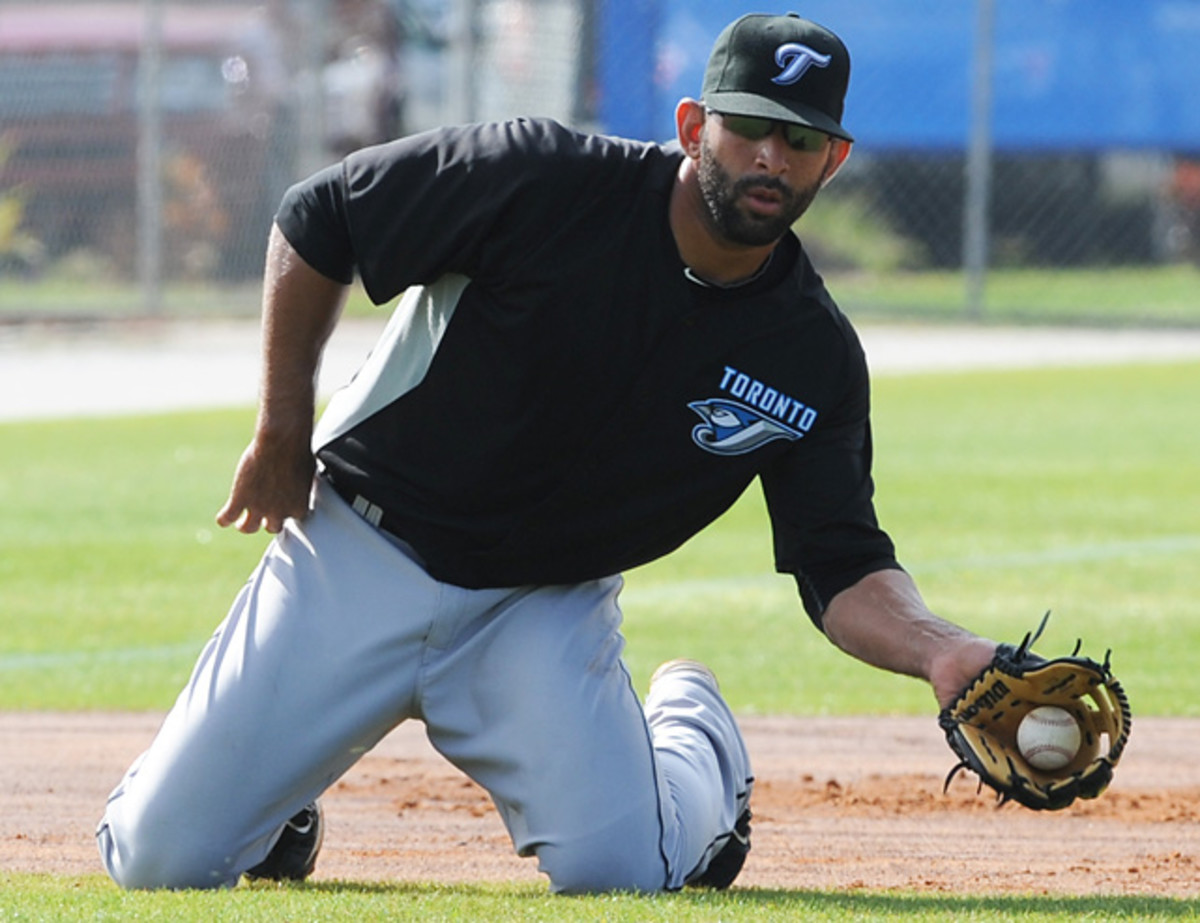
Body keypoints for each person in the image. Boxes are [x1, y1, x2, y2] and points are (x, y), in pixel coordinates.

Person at [97, 12, 997, 893]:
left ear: (833, 160)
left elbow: (839, 562)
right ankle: (276, 802)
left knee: (621, 871)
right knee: (157, 860)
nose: (772, 157)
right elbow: (320, 215)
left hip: (540, 610)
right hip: (362, 549)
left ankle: (697, 741)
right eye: (750, 127)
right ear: (694, 127)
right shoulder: (543, 178)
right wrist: (282, 430)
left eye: (801, 139)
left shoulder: (810, 354)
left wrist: (944, 652)